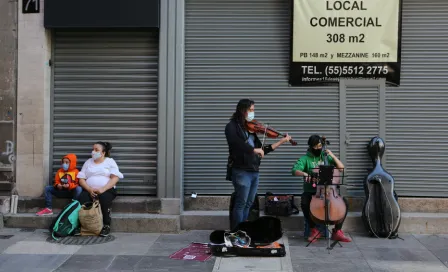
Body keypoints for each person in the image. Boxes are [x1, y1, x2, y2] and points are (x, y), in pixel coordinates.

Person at [225, 99, 292, 230]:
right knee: (241, 203)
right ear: (242, 110)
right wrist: (253, 150)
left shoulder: (251, 131)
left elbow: (263, 150)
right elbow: (235, 144)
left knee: (249, 203)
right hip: (241, 171)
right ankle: (237, 232)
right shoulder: (232, 127)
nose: (253, 113)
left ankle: (243, 229)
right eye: (251, 110)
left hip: (254, 171)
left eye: (253, 110)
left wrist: (282, 141)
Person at [291, 134, 352, 243]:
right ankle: (313, 230)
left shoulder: (326, 156)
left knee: (345, 203)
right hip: (313, 192)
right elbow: (295, 171)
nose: (318, 148)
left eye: (320, 146)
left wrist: (332, 155)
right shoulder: (305, 159)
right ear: (310, 146)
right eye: (316, 147)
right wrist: (306, 174)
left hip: (330, 191)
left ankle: (337, 231)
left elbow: (341, 168)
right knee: (305, 201)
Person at [76, 141, 123, 237]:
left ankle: (106, 225)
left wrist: (103, 189)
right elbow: (81, 179)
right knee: (82, 200)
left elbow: (115, 178)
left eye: (96, 150)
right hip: (89, 190)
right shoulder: (88, 162)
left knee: (104, 200)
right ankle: (80, 226)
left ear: (103, 153)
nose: (93, 151)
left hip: (106, 189)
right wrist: (89, 189)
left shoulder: (110, 161)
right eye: (93, 149)